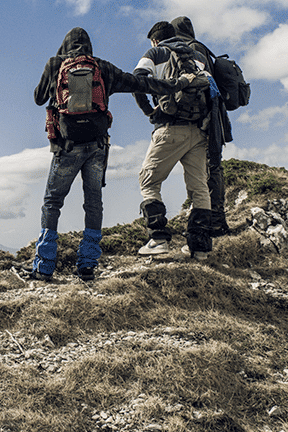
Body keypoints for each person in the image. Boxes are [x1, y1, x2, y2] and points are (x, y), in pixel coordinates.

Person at [31, 27, 203, 281]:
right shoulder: (103, 68)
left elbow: (38, 98)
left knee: (52, 202)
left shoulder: (56, 64)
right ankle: (87, 265)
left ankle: (44, 266)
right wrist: (179, 83)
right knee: (93, 203)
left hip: (66, 147)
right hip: (97, 147)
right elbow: (142, 83)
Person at [133, 21, 213, 260]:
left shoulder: (155, 53)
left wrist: (150, 111)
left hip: (170, 128)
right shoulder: (197, 56)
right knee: (199, 186)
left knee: (148, 180)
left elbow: (138, 80)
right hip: (199, 130)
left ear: (155, 40)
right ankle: (200, 248)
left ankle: (158, 239)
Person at [171, 16, 233, 237]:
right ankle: (214, 219)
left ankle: (213, 222)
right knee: (210, 167)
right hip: (215, 116)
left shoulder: (190, 50)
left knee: (209, 168)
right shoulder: (202, 48)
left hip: (205, 119)